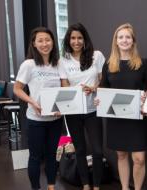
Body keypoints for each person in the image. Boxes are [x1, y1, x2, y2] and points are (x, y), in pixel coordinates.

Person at [97, 23, 147, 190]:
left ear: (133, 41)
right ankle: (124, 188)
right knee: (121, 155)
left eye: (128, 37)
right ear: (116, 41)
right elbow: (103, 89)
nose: (124, 40)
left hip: (137, 118)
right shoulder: (109, 65)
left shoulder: (143, 63)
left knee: (139, 159)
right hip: (117, 118)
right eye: (120, 37)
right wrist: (99, 101)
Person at [13, 27, 65, 190]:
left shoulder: (59, 63)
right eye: (40, 40)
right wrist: (32, 102)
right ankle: (35, 188)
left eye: (48, 40)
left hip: (55, 119)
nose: (45, 44)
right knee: (35, 157)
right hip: (36, 119)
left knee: (51, 156)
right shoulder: (29, 65)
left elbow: (65, 88)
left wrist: (63, 106)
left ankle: (51, 186)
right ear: (34, 44)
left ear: (53, 42)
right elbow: (17, 88)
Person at [59, 23, 105, 190]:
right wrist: (74, 90)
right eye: (73, 38)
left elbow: (103, 80)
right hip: (73, 111)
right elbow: (64, 86)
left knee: (98, 151)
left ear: (84, 39)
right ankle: (85, 184)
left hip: (93, 109)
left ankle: (97, 185)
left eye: (79, 38)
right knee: (80, 149)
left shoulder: (96, 56)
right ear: (68, 40)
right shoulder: (63, 60)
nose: (76, 41)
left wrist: (93, 88)